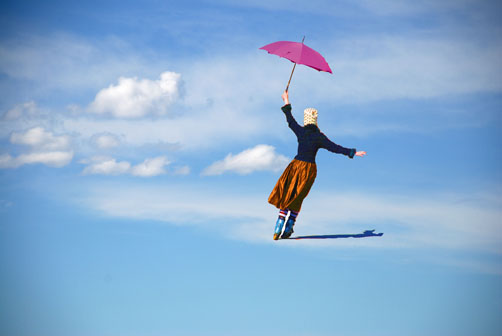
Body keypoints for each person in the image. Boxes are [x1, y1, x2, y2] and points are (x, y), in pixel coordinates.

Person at [268, 90, 366, 240]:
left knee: (287, 194)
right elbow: (335, 147)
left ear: (306, 120)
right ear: (315, 120)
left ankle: (278, 227)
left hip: (295, 166)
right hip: (309, 170)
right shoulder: (319, 137)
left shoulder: (301, 132)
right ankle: (288, 228)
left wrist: (286, 99)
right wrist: (352, 152)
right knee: (298, 198)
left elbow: (290, 120)